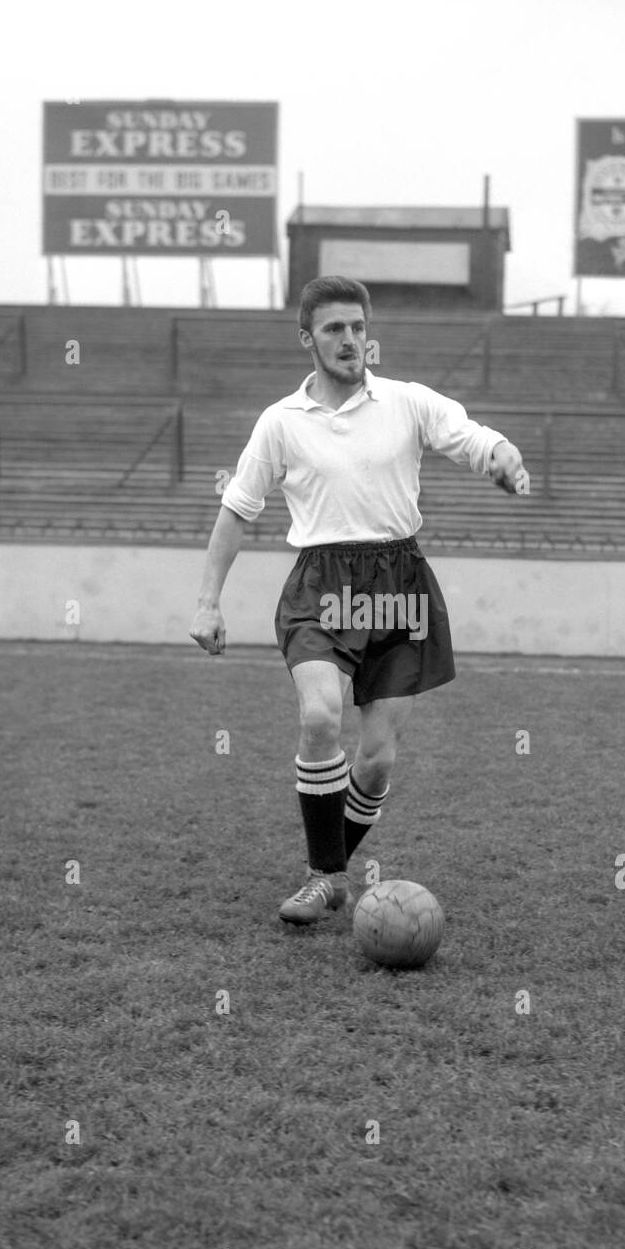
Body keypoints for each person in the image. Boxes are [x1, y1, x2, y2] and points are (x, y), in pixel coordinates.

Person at [190, 276, 528, 924]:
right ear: (307, 340)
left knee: (375, 761)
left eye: (357, 328)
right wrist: (207, 602)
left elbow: (468, 435)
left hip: (400, 587)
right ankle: (324, 878)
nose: (349, 340)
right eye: (333, 329)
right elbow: (236, 511)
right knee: (320, 717)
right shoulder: (281, 422)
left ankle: (327, 871)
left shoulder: (406, 401)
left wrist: (503, 458)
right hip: (321, 585)